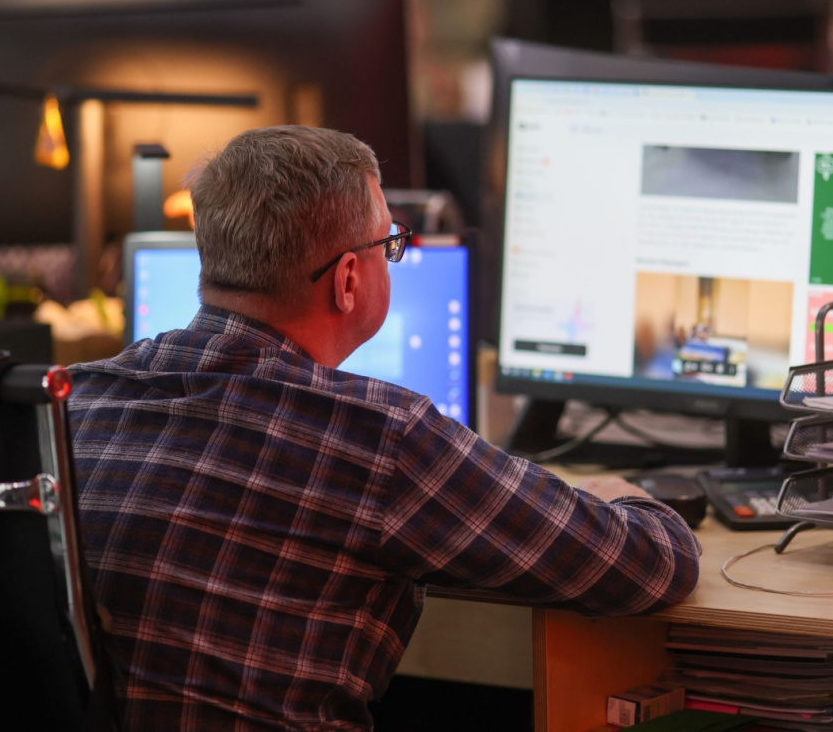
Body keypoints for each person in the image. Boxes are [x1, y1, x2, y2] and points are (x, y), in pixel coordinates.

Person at [67, 125, 701, 731]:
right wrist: (631, 498)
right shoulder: (381, 437)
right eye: (388, 246)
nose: (391, 259)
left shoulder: (77, 400)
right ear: (348, 280)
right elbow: (651, 567)